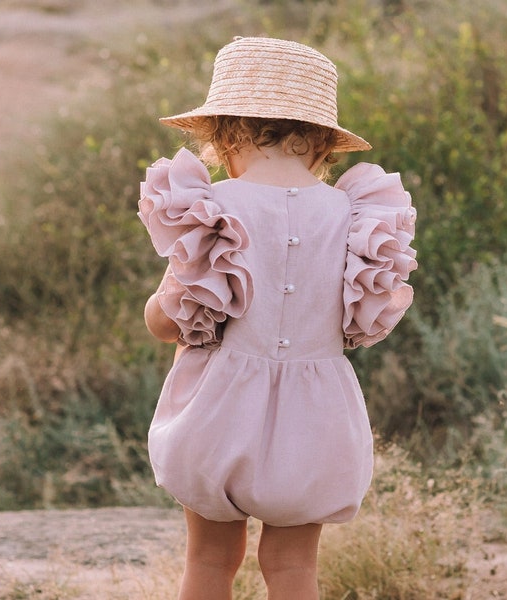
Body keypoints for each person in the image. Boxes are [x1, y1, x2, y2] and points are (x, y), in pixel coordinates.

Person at [138, 36, 417, 600]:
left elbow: (167, 323)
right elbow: (360, 324)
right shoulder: (358, 217)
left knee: (210, 561)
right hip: (314, 425)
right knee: (293, 570)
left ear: (225, 133)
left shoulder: (212, 210)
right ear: (321, 144)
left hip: (216, 417)